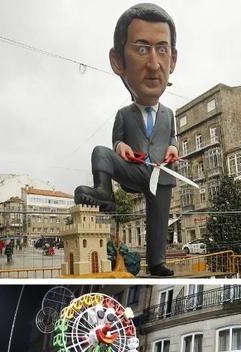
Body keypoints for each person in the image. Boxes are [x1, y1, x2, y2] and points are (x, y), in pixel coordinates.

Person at [73, 3, 179, 277]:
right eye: (142, 49)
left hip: (161, 173)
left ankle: (157, 260)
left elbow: (172, 139)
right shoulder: (123, 114)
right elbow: (116, 141)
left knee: (158, 219)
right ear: (118, 61)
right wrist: (122, 150)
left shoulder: (169, 114)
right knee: (100, 152)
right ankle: (103, 191)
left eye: (162, 50)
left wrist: (172, 150)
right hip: (134, 168)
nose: (154, 64)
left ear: (173, 60)